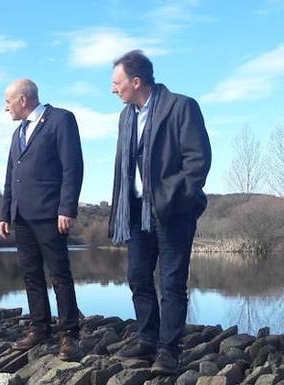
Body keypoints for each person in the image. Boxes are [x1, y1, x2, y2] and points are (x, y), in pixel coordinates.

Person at [109, 50, 211, 374]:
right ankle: (147, 339)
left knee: (172, 282)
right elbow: (122, 171)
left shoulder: (182, 106)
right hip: (137, 211)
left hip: (173, 211)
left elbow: (198, 162)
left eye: (117, 82)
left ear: (136, 81)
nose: (114, 89)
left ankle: (169, 349)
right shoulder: (127, 116)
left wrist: (170, 197)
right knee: (138, 277)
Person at [0, 79, 83, 361]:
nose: (5, 107)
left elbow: (73, 166)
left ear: (23, 99)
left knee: (59, 274)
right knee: (31, 274)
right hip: (21, 216)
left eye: (7, 101)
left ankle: (69, 334)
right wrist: (5, 212)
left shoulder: (61, 120)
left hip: (50, 214)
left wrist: (67, 208)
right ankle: (40, 328)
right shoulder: (17, 132)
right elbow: (11, 175)